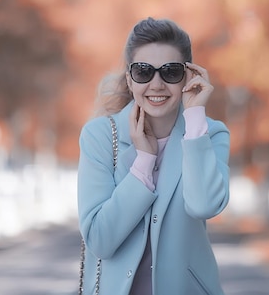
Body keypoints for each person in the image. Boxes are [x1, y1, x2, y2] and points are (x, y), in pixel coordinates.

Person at [77, 17, 230, 295]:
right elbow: (99, 239)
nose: (157, 84)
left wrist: (195, 118)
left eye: (170, 72)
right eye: (144, 71)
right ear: (129, 78)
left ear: (188, 76)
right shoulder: (99, 136)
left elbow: (204, 205)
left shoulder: (211, 134)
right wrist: (143, 164)